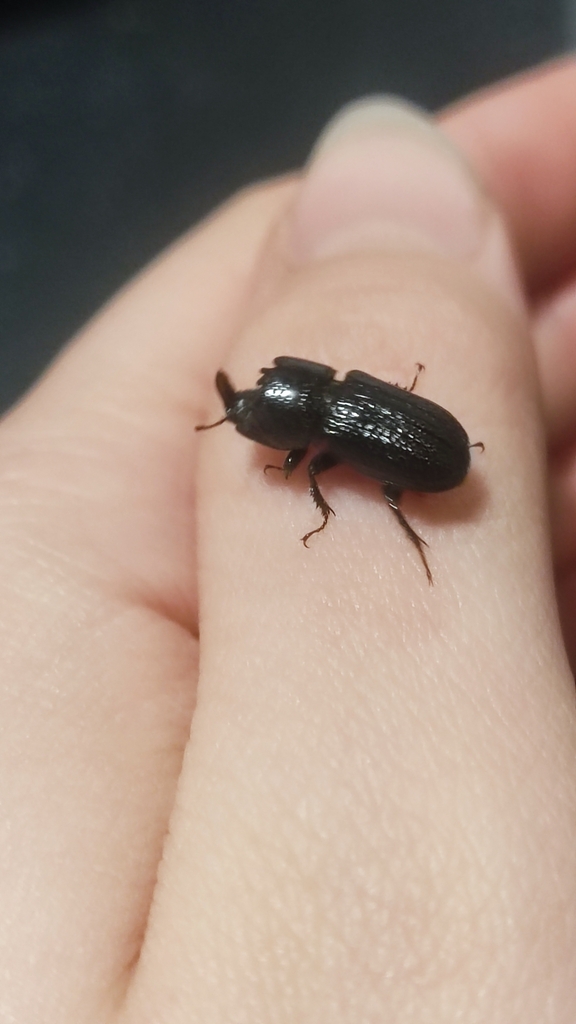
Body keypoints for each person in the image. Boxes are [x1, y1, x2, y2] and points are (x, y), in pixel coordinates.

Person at [2, 56, 576, 1023]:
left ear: (294, 426)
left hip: (434, 458)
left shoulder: (332, 433)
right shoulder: (340, 406)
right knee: (378, 472)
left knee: (377, 486)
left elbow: (365, 448)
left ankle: (411, 533)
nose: (259, 416)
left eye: (262, 419)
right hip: (434, 443)